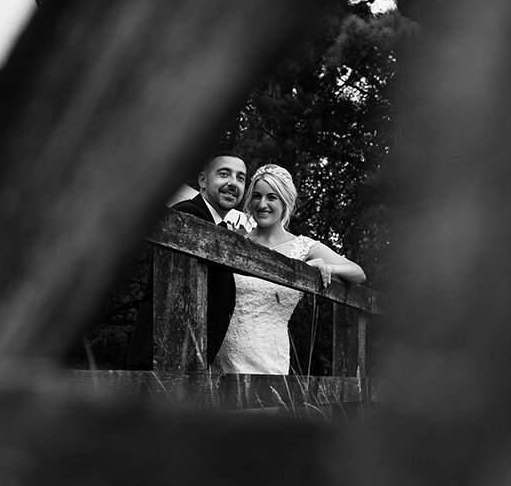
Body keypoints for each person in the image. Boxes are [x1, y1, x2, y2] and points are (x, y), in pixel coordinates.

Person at [212, 164, 366, 375]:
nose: (262, 204)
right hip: (220, 353)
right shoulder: (235, 240)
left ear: (285, 201)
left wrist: (324, 267)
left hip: (268, 356)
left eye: (271, 197)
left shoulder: (303, 247)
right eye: (257, 196)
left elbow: (358, 273)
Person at [126, 151, 247, 368]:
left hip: (187, 361)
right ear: (202, 180)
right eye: (224, 174)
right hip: (163, 359)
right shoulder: (187, 215)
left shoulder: (219, 227)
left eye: (240, 178)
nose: (233, 183)